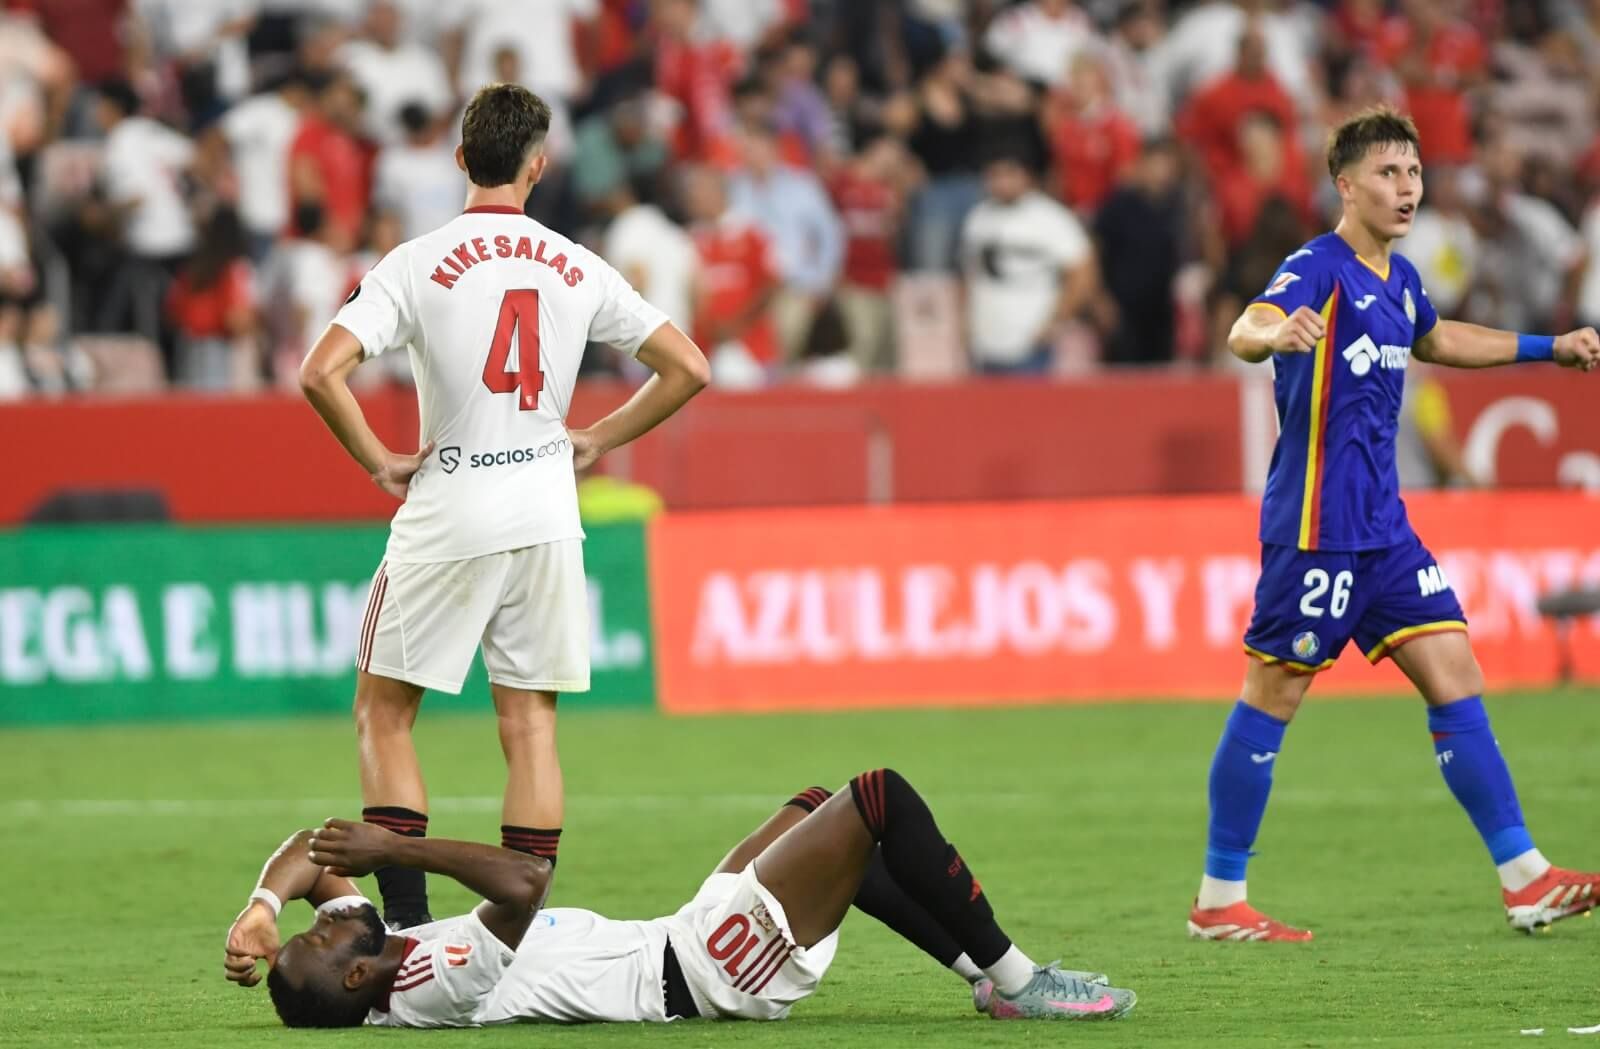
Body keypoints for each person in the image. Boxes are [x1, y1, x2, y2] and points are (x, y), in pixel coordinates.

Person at [297, 83, 709, 930]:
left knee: (385, 711)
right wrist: (596, 437)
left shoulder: (413, 263)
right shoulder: (576, 264)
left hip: (451, 509)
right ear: (538, 165)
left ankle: (408, 932)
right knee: (528, 725)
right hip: (548, 515)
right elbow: (690, 367)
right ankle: (516, 931)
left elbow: (318, 370)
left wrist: (378, 458)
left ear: (459, 161)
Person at [1191, 106, 1600, 943]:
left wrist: (1546, 346)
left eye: (1414, 173)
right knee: (1272, 695)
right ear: (1346, 185)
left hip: (1385, 529)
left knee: (1457, 673)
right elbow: (1246, 325)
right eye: (1388, 173)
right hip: (1317, 529)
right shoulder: (1317, 267)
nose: (1407, 188)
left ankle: (1524, 878)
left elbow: (1439, 338)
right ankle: (1218, 898)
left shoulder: (1400, 279)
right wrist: (1273, 333)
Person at [222, 771, 1138, 1026]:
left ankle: (982, 977)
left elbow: (313, 853)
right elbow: (528, 880)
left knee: (818, 813)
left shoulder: (380, 961)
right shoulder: (437, 980)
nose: (329, 914)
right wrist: (396, 846)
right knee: (877, 800)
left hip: (679, 936)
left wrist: (263, 906)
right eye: (319, 936)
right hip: (703, 971)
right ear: (356, 980)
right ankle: (1020, 978)